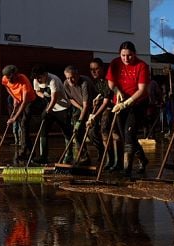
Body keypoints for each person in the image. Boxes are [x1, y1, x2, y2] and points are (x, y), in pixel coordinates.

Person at [107, 41, 150, 177]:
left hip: (137, 103)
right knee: (125, 137)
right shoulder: (115, 63)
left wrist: (128, 102)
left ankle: (127, 168)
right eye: (123, 55)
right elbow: (111, 82)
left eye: (129, 55)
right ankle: (142, 159)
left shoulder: (142, 66)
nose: (126, 59)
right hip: (119, 103)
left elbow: (142, 90)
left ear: (134, 54)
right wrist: (116, 90)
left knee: (129, 133)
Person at [31, 65, 73, 164]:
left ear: (45, 74)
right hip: (51, 106)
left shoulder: (53, 80)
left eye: (40, 77)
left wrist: (47, 111)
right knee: (43, 129)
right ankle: (43, 156)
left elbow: (54, 99)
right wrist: (44, 96)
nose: (38, 80)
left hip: (63, 107)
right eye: (36, 78)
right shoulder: (36, 80)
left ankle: (69, 155)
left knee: (66, 131)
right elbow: (37, 91)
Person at [86, 58, 122, 170]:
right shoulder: (98, 82)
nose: (94, 72)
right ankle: (109, 158)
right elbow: (104, 95)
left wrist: (94, 116)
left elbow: (106, 102)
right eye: (92, 69)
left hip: (116, 108)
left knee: (114, 133)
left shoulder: (107, 79)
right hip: (108, 108)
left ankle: (117, 161)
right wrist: (98, 97)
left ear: (102, 68)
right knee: (104, 132)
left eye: (96, 69)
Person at [63, 65, 99, 165]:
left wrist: (80, 121)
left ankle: (101, 152)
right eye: (67, 78)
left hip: (94, 107)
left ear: (77, 75)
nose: (70, 80)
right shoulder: (66, 83)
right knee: (77, 132)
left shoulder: (84, 83)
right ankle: (84, 157)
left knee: (92, 133)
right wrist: (80, 108)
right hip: (79, 106)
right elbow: (70, 99)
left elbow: (86, 104)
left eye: (72, 77)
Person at [1, 65, 37, 162]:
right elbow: (7, 87)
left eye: (12, 77)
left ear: (16, 74)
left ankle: (23, 152)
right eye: (8, 78)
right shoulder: (5, 78)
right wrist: (13, 97)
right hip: (18, 100)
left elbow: (25, 102)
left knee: (24, 124)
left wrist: (14, 118)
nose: (10, 79)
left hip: (29, 101)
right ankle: (31, 152)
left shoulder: (23, 80)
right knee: (23, 127)